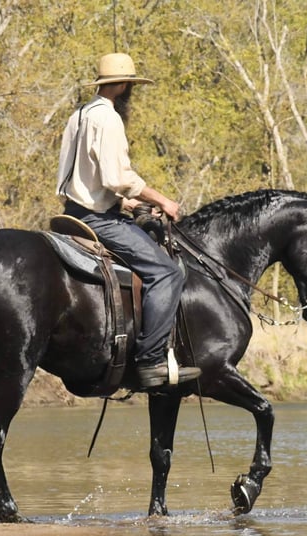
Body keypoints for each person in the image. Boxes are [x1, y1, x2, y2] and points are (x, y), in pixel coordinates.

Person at [56, 52, 201, 390]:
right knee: (165, 273)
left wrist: (127, 202)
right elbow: (118, 176)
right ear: (122, 86)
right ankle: (150, 362)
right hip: (98, 219)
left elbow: (88, 177)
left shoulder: (79, 114)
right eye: (130, 86)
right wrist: (162, 200)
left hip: (71, 212)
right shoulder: (108, 119)